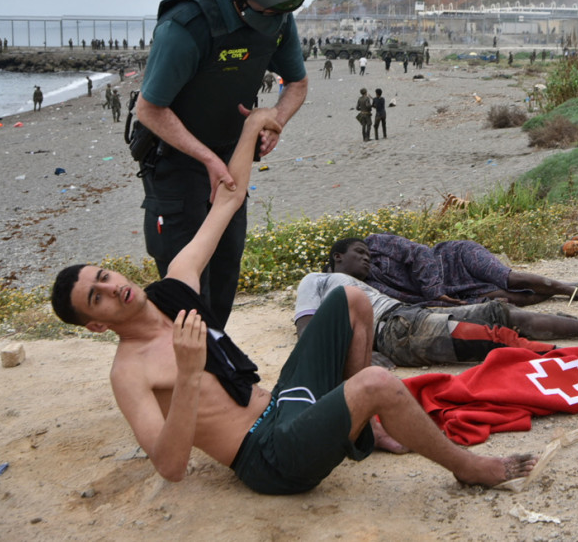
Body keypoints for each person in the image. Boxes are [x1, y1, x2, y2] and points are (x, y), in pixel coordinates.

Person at [50, 108, 536, 494]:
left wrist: (250, 130)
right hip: (268, 455)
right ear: (96, 324)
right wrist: (189, 374)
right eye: (98, 297)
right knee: (377, 382)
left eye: (104, 275)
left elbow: (226, 202)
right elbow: (170, 466)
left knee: (351, 299)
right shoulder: (129, 372)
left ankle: (365, 429)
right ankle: (467, 467)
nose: (114, 287)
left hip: (285, 403)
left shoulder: (175, 285)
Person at [134, 0, 320, 329]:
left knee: (224, 267)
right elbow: (149, 109)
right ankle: (183, 373)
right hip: (177, 164)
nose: (275, 20)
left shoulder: (278, 14)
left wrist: (276, 121)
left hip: (230, 159)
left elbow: (297, 83)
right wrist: (204, 157)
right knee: (185, 283)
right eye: (269, 12)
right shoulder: (186, 26)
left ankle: (215, 359)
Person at [296, 238, 578, 367]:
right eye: (359, 254)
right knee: (496, 338)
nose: (368, 259)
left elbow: (419, 256)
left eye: (369, 254)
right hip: (398, 328)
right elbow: (308, 331)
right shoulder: (317, 280)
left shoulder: (368, 280)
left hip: (415, 315)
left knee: (504, 312)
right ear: (336, 257)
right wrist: (365, 357)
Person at [359, 233, 578, 307]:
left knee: (509, 278)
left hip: (454, 258)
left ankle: (577, 292)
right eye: (357, 255)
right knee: (511, 299)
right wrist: (447, 302)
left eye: (359, 252)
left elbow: (420, 253)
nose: (362, 257)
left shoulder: (374, 243)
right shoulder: (364, 284)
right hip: (451, 291)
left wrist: (433, 291)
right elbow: (408, 301)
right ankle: (560, 289)